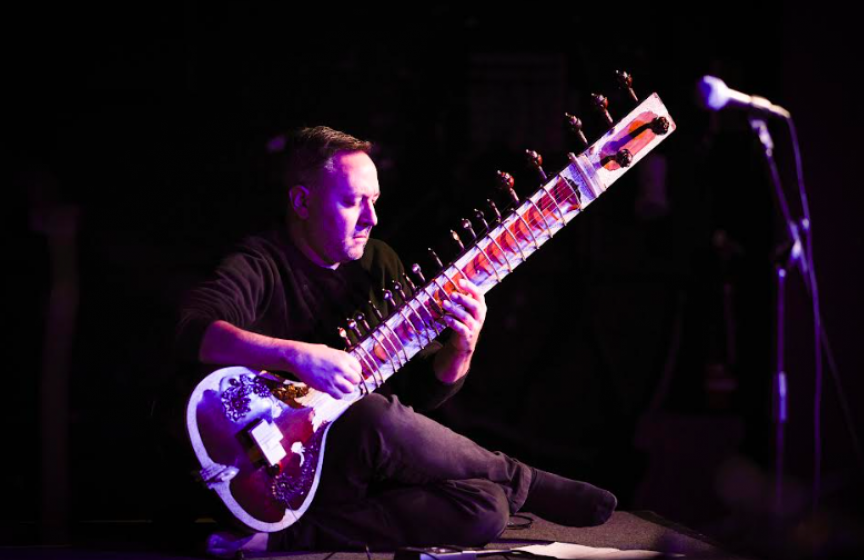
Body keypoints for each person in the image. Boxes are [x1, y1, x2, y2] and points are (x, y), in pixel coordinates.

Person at [175, 126, 617, 555]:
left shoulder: (378, 262)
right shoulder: (260, 263)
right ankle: (524, 479)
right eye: (352, 202)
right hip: (278, 464)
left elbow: (421, 397)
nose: (372, 218)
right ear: (302, 202)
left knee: (487, 507)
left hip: (365, 471)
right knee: (374, 415)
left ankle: (282, 538)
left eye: (375, 201)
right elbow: (192, 330)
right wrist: (298, 356)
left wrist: (461, 349)